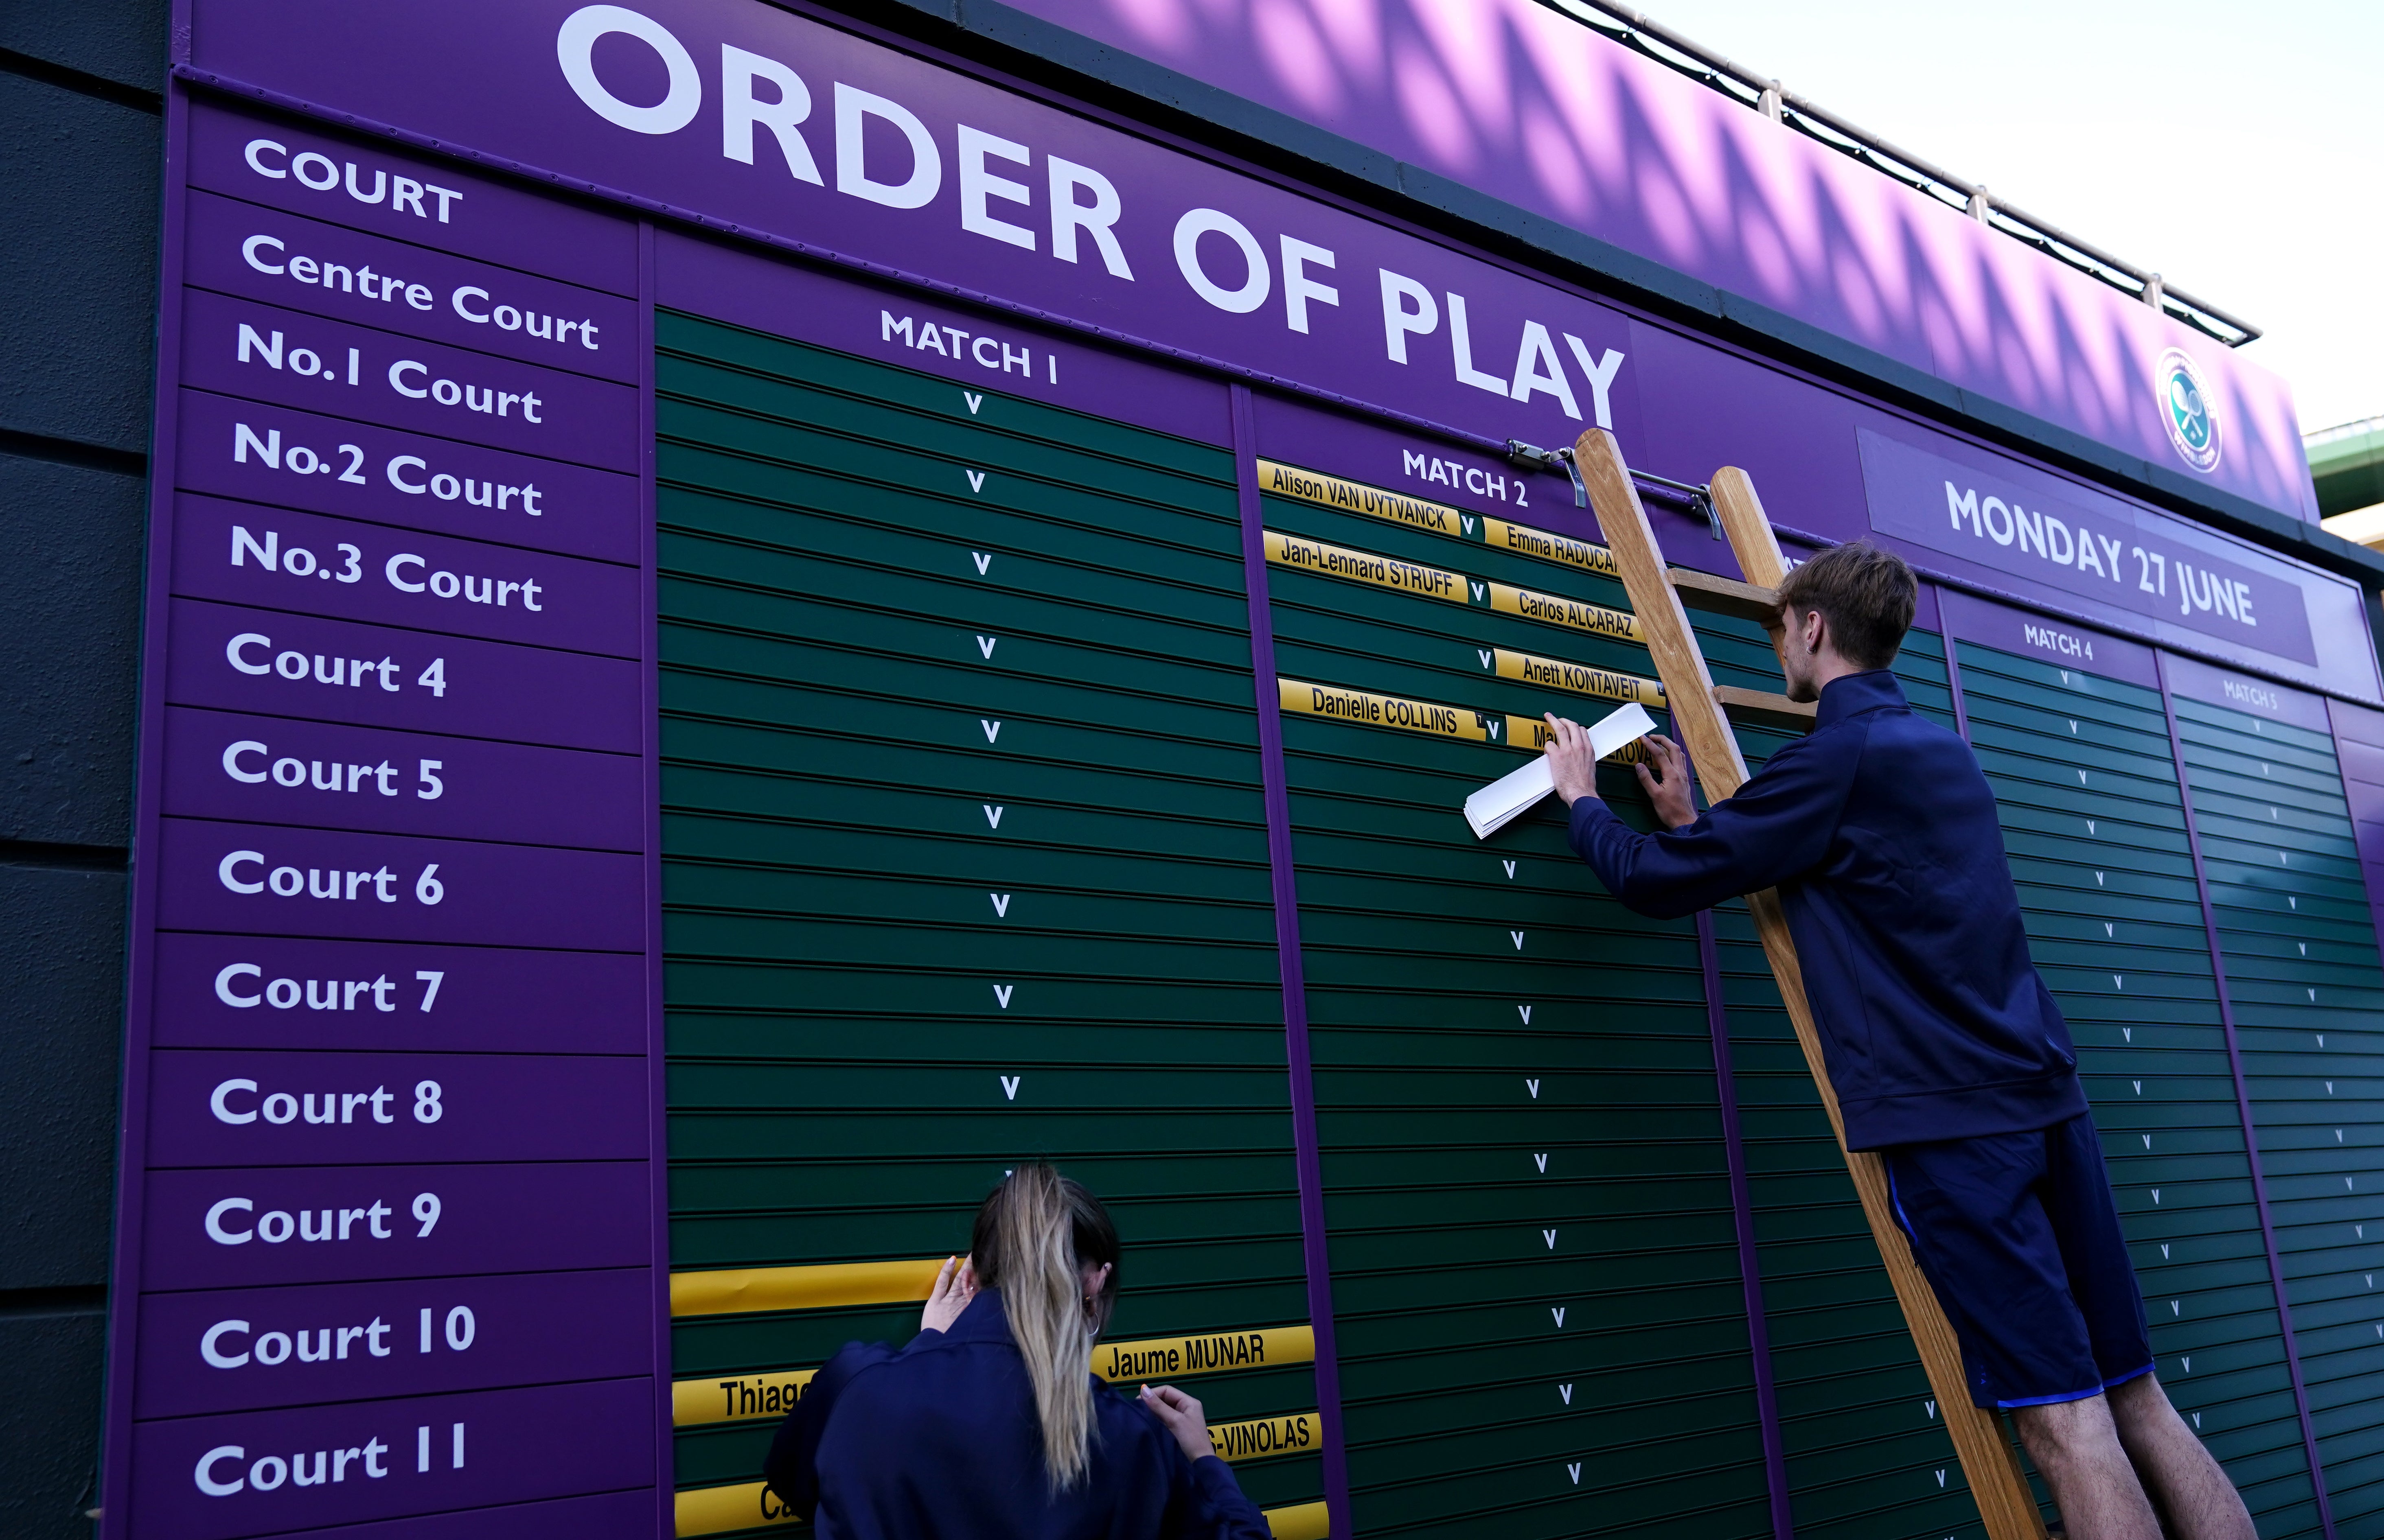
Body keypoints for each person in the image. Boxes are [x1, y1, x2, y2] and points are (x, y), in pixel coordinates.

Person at [1540, 540, 2253, 1540]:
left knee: (2066, 1426)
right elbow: (1855, 872)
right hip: (2050, 1103)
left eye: (1780, 624)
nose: (1778, 639)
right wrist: (1701, 819)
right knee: (2136, 1396)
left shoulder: (1829, 763)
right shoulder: (1944, 751)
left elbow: (1658, 882)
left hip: (1957, 1139)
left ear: (1813, 628)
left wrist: (1578, 799)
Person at [763, 1164, 1274, 1540]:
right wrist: (1205, 1459)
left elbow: (798, 1481)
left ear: (971, 1277)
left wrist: (930, 1345)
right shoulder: (1128, 1438)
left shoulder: (858, 1384)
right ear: (1095, 1285)